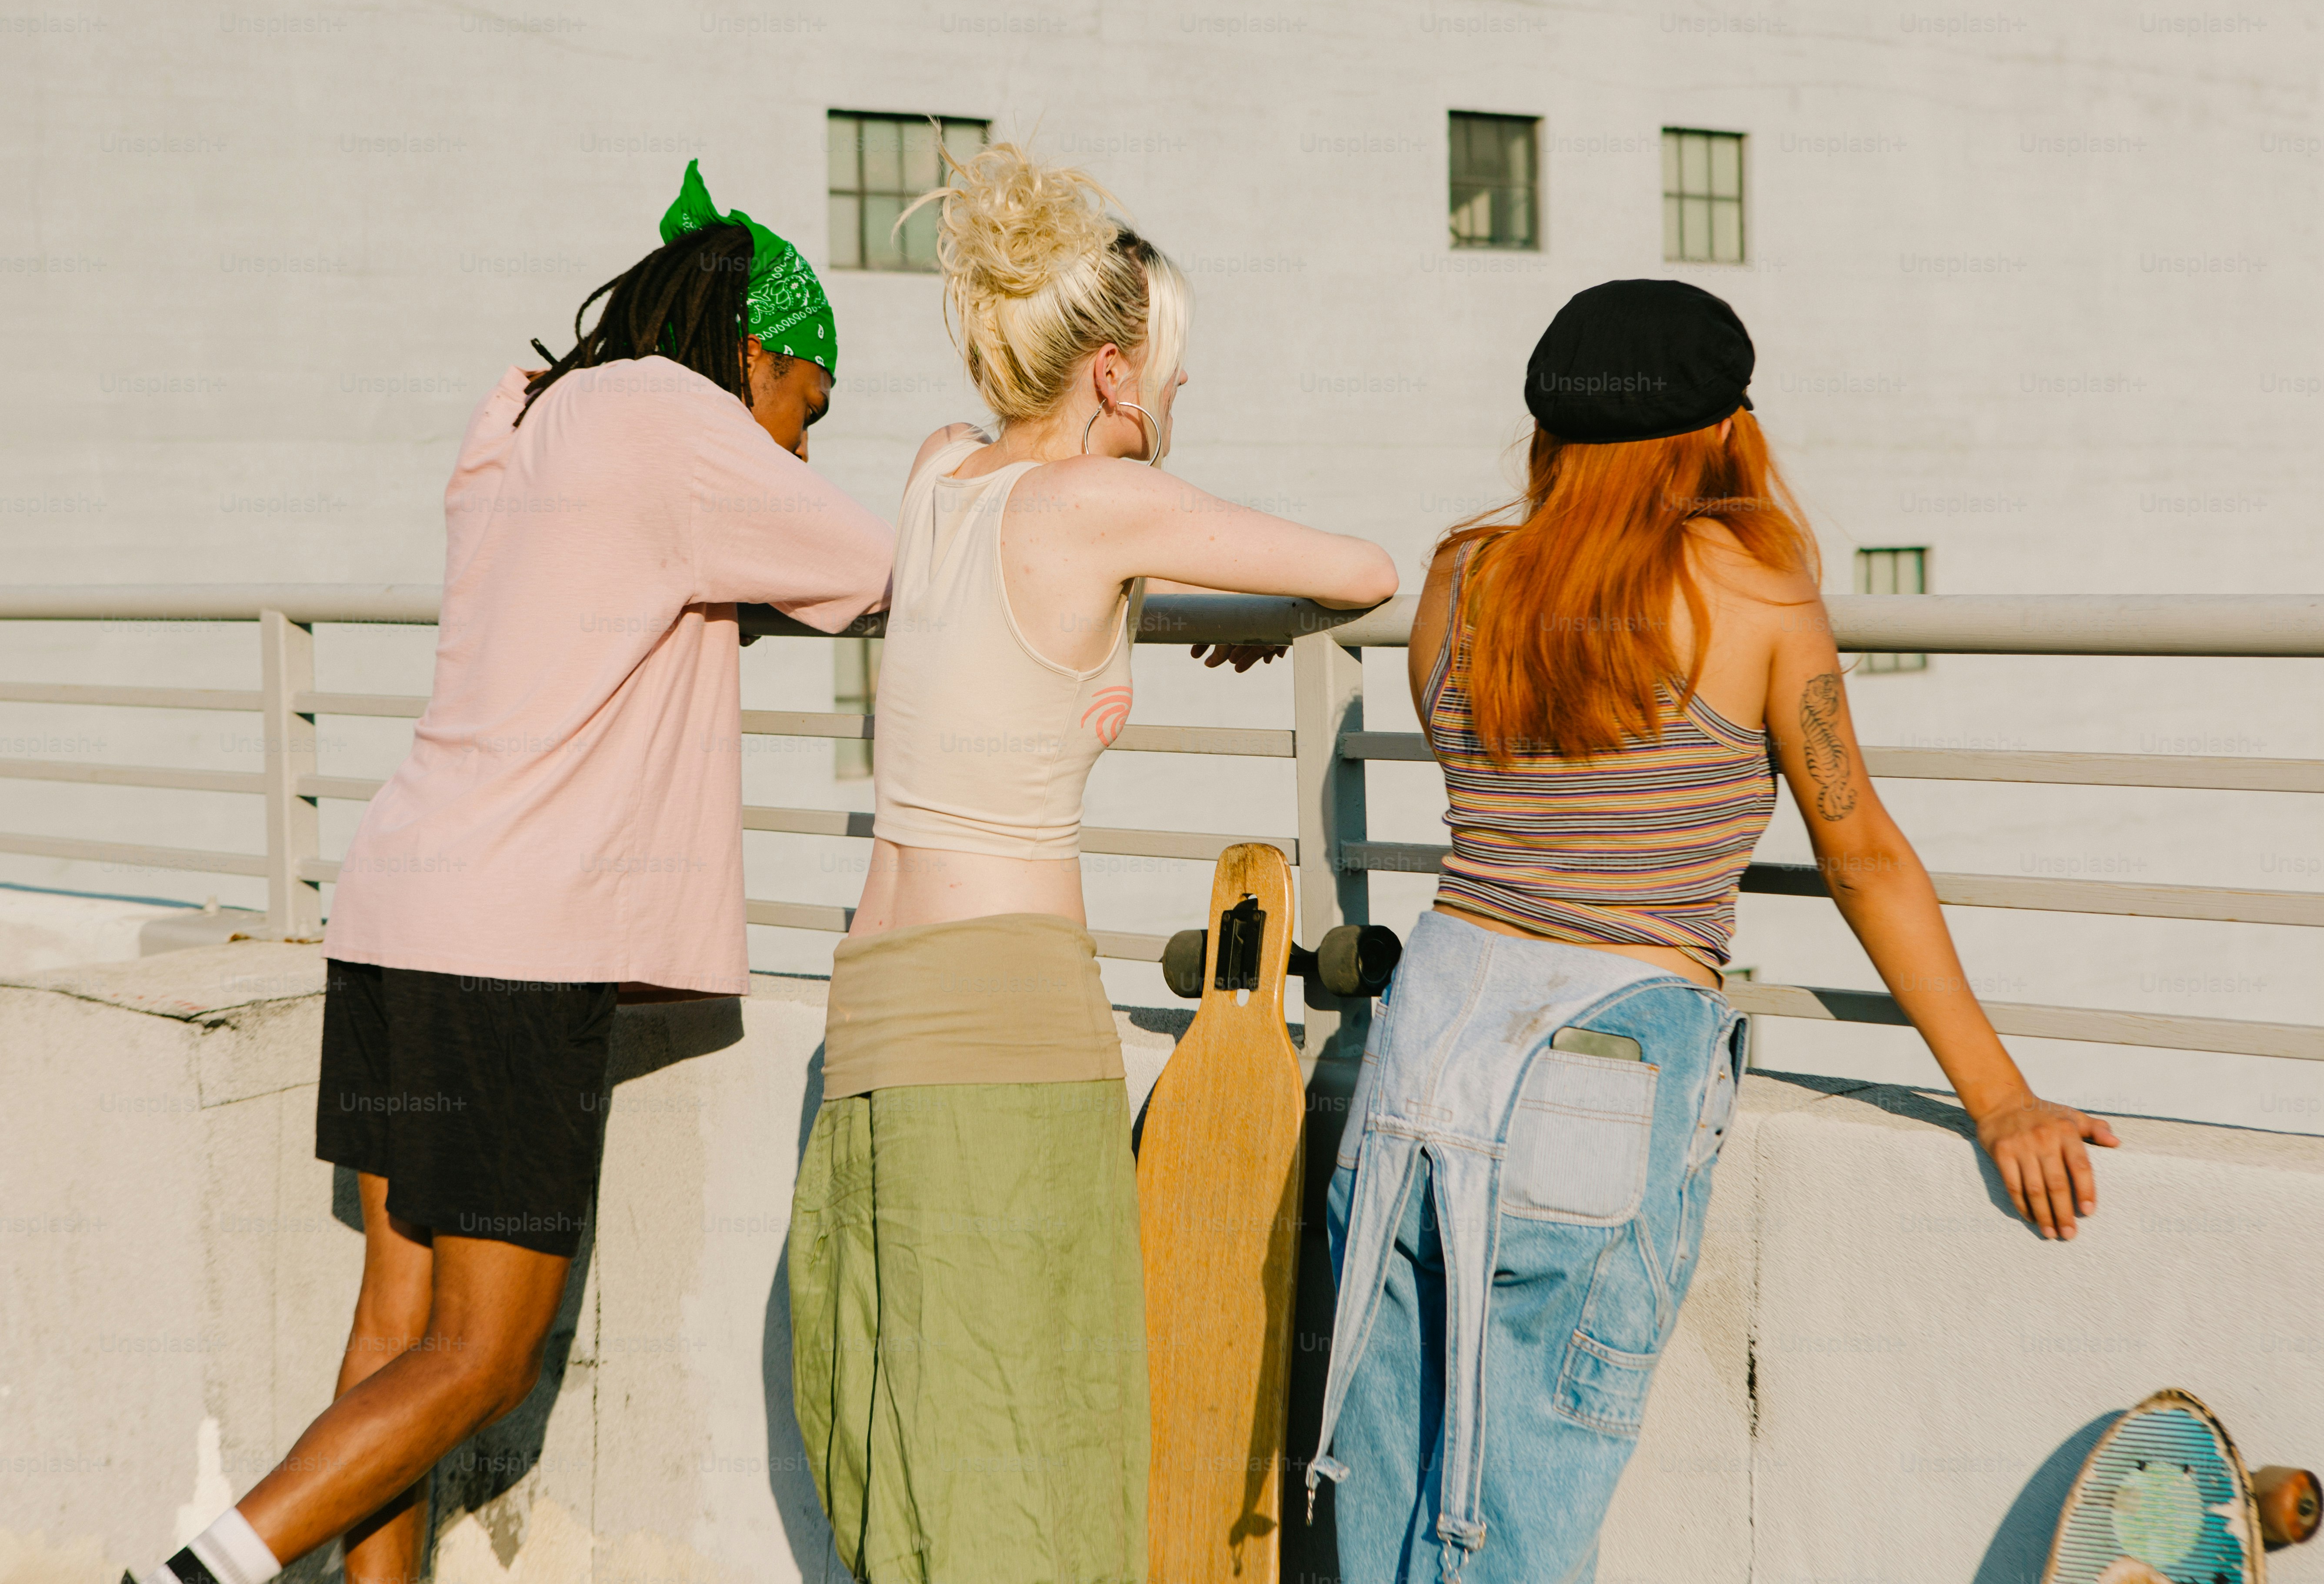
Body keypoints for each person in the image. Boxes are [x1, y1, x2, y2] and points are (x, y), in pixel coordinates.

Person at [124, 162, 893, 1584]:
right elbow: (869, 561)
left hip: (401, 897)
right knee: (482, 1357)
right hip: (517, 942)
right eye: (809, 403)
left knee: (395, 1333)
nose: (798, 444)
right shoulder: (686, 417)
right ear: (762, 353)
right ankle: (198, 1571)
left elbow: (605, 609)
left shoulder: (529, 410)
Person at [1305, 280, 2121, 1583]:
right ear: (1720, 433)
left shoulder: (1465, 578)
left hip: (1430, 1040)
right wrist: (2001, 1095)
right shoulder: (1756, 595)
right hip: (1605, 1053)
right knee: (1523, 1517)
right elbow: (1858, 854)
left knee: (1386, 1478)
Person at [786, 142, 1399, 1584]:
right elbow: (1364, 568)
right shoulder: (1100, 507)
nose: (1182, 394)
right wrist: (1256, 604)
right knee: (1034, 1405)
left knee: (907, 1400)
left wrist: (1175, 594)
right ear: (1116, 373)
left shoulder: (941, 470)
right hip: (1004, 1012)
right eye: (1171, 369)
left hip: (876, 1000)